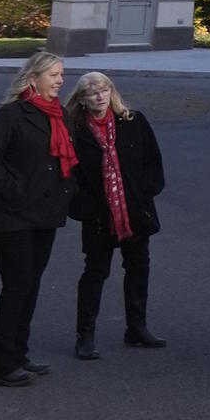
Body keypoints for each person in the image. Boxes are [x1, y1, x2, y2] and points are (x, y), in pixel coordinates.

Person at [0, 51, 77, 387]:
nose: (60, 80)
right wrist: (15, 190)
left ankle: (18, 353)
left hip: (44, 215)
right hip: (10, 217)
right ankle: (0, 366)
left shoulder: (59, 115)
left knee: (30, 286)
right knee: (17, 286)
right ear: (33, 78)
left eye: (61, 74)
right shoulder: (11, 115)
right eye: (54, 75)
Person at [64, 72, 166, 357]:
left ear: (112, 92)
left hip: (134, 211)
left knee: (138, 268)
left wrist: (144, 194)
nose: (100, 96)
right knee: (95, 272)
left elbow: (153, 162)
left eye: (104, 90)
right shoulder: (75, 131)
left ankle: (137, 327)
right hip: (98, 215)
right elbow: (70, 176)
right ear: (82, 99)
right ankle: (85, 335)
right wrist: (84, 207)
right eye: (92, 93)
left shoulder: (133, 121)